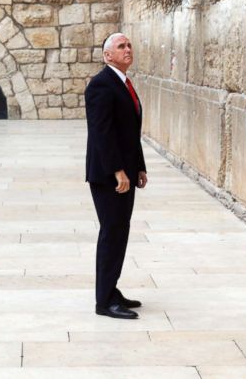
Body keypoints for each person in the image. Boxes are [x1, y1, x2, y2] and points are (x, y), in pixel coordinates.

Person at [84, 32, 148, 320]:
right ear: (107, 55)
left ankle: (112, 289)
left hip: (125, 172)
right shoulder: (100, 86)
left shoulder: (123, 83)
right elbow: (102, 133)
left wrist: (139, 166)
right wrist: (118, 171)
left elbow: (130, 132)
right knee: (111, 233)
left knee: (120, 231)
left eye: (129, 45)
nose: (127, 49)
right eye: (121, 46)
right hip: (109, 175)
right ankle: (104, 301)